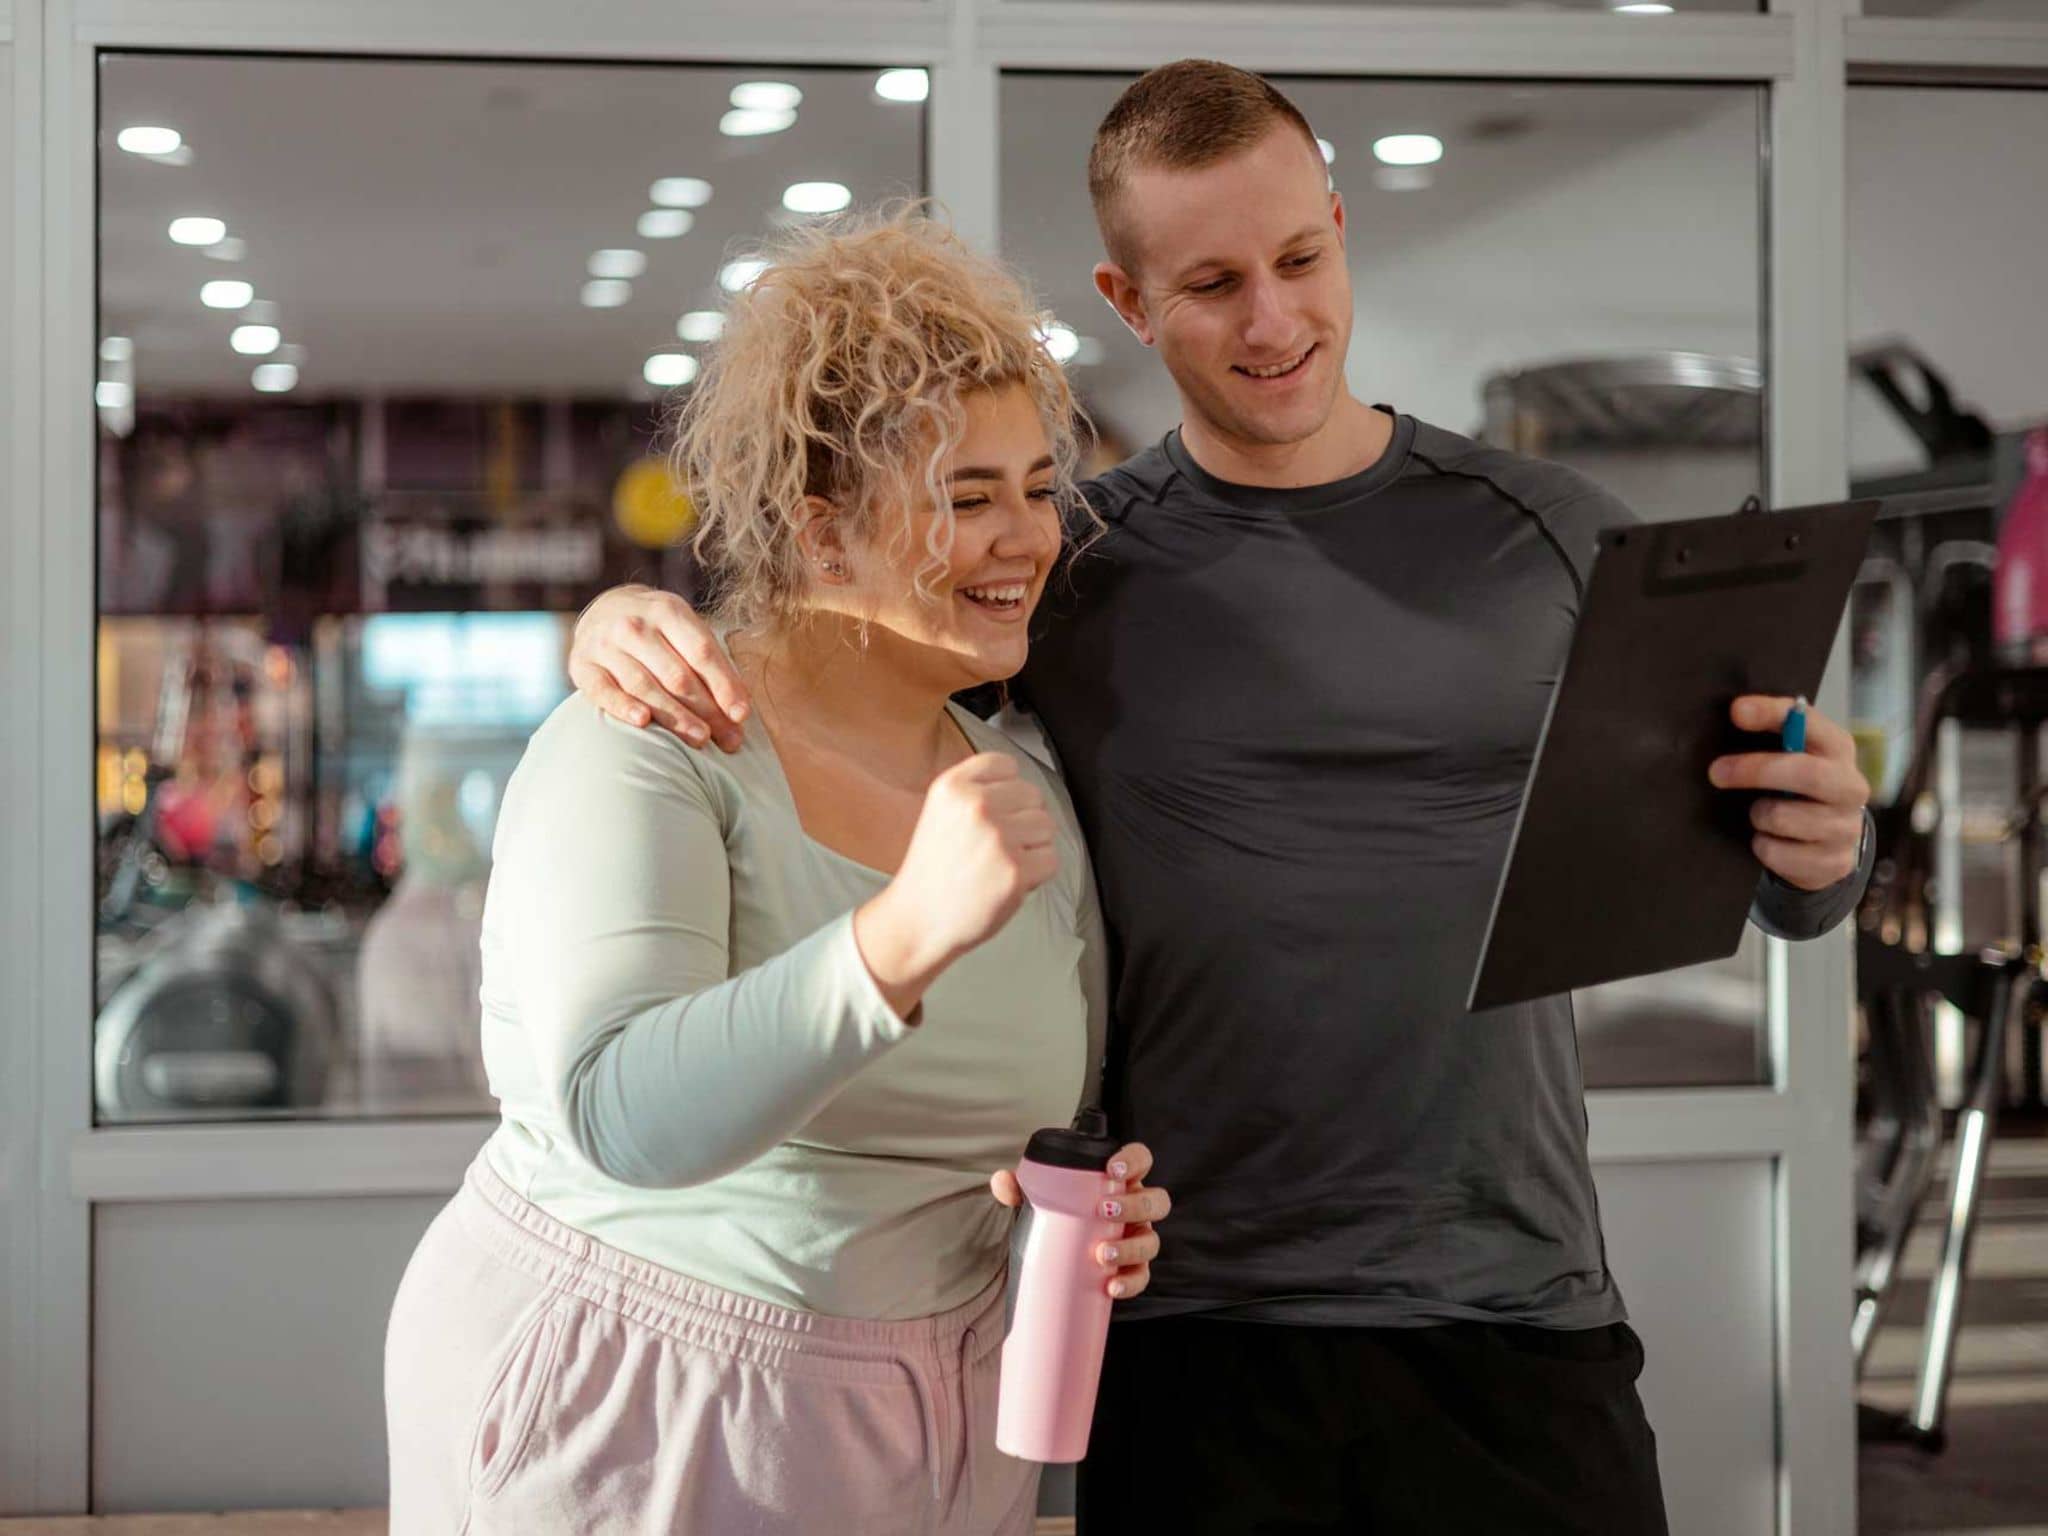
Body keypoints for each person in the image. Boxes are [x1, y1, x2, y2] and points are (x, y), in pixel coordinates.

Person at [566, 61, 1874, 1536]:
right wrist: (620, 617)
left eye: (1301, 259)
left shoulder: (1559, 540)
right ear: (1130, 303)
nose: (1274, 321)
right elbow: (837, 681)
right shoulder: (1066, 569)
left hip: (1511, 1317)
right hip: (1186, 1339)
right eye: (1213, 284)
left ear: (1336, 221)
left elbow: (1768, 861)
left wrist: (1827, 848)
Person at [382, 207, 1172, 1536]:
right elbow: (622, 1111)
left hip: (939, 1428)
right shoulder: (646, 738)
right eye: (966, 498)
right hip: (634, 1410)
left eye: (1039, 488)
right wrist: (898, 937)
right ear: (822, 535)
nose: (1026, 539)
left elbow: (1018, 1123)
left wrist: (1082, 1209)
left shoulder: (1025, 785)